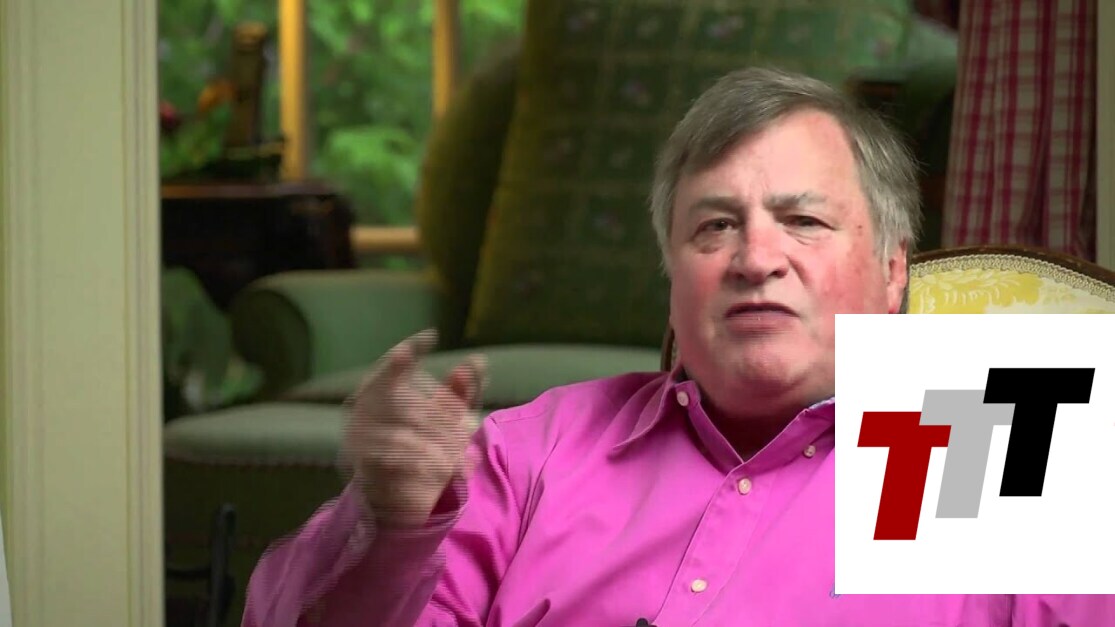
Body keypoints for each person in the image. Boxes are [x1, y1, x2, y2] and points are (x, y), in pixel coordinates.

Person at [241, 68, 1113, 626]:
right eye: (713, 226)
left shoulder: (988, 436)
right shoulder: (535, 450)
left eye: (803, 221)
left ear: (892, 272)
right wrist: (389, 524)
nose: (755, 258)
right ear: (672, 275)